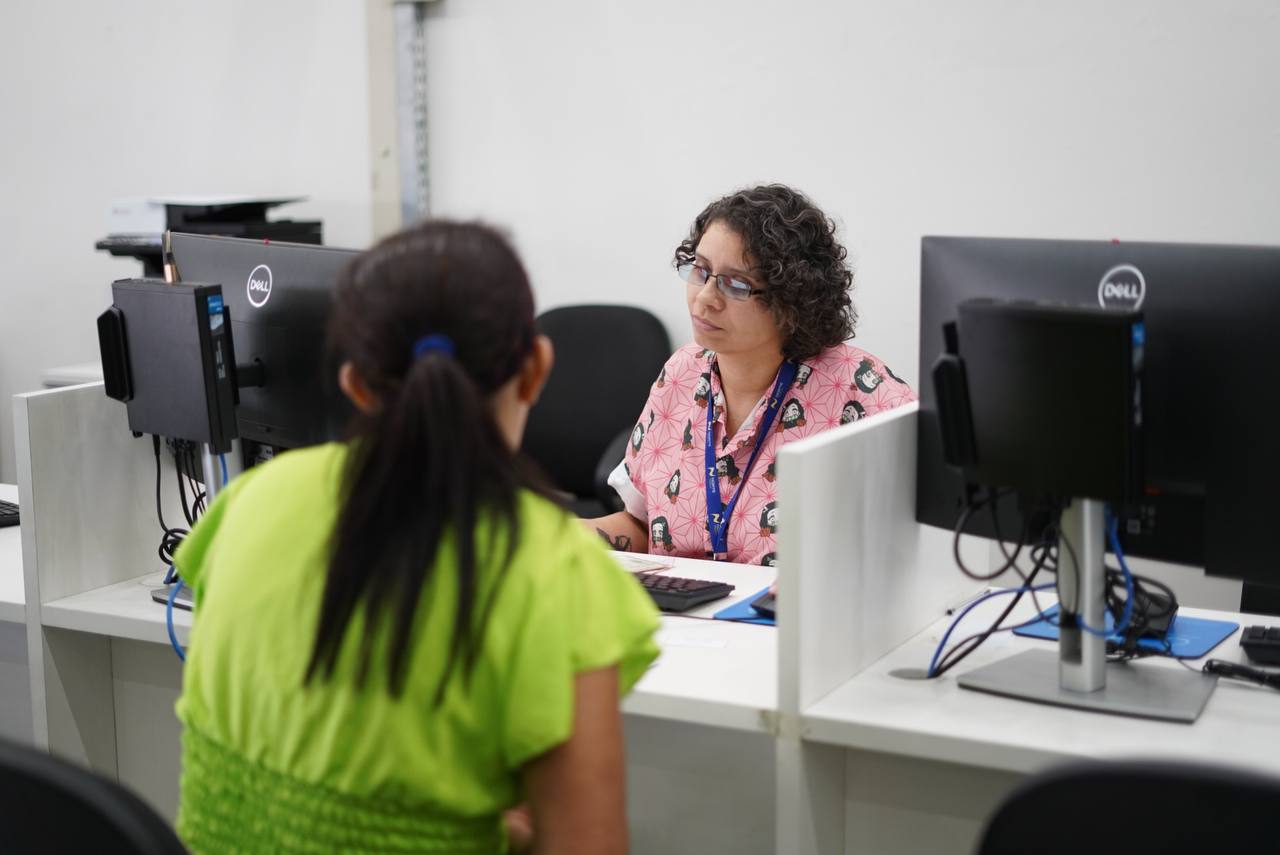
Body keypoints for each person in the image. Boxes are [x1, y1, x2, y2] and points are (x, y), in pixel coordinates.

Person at [172, 221, 660, 854]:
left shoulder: (248, 504)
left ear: (354, 383)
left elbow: (324, 770)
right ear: (537, 369)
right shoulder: (553, 568)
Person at [588, 184, 916, 566]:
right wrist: (555, 535)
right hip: (685, 620)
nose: (705, 297)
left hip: (791, 622)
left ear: (792, 302)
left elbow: (917, 540)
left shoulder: (864, 392)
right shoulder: (681, 373)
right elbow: (644, 527)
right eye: (701, 271)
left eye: (736, 284)